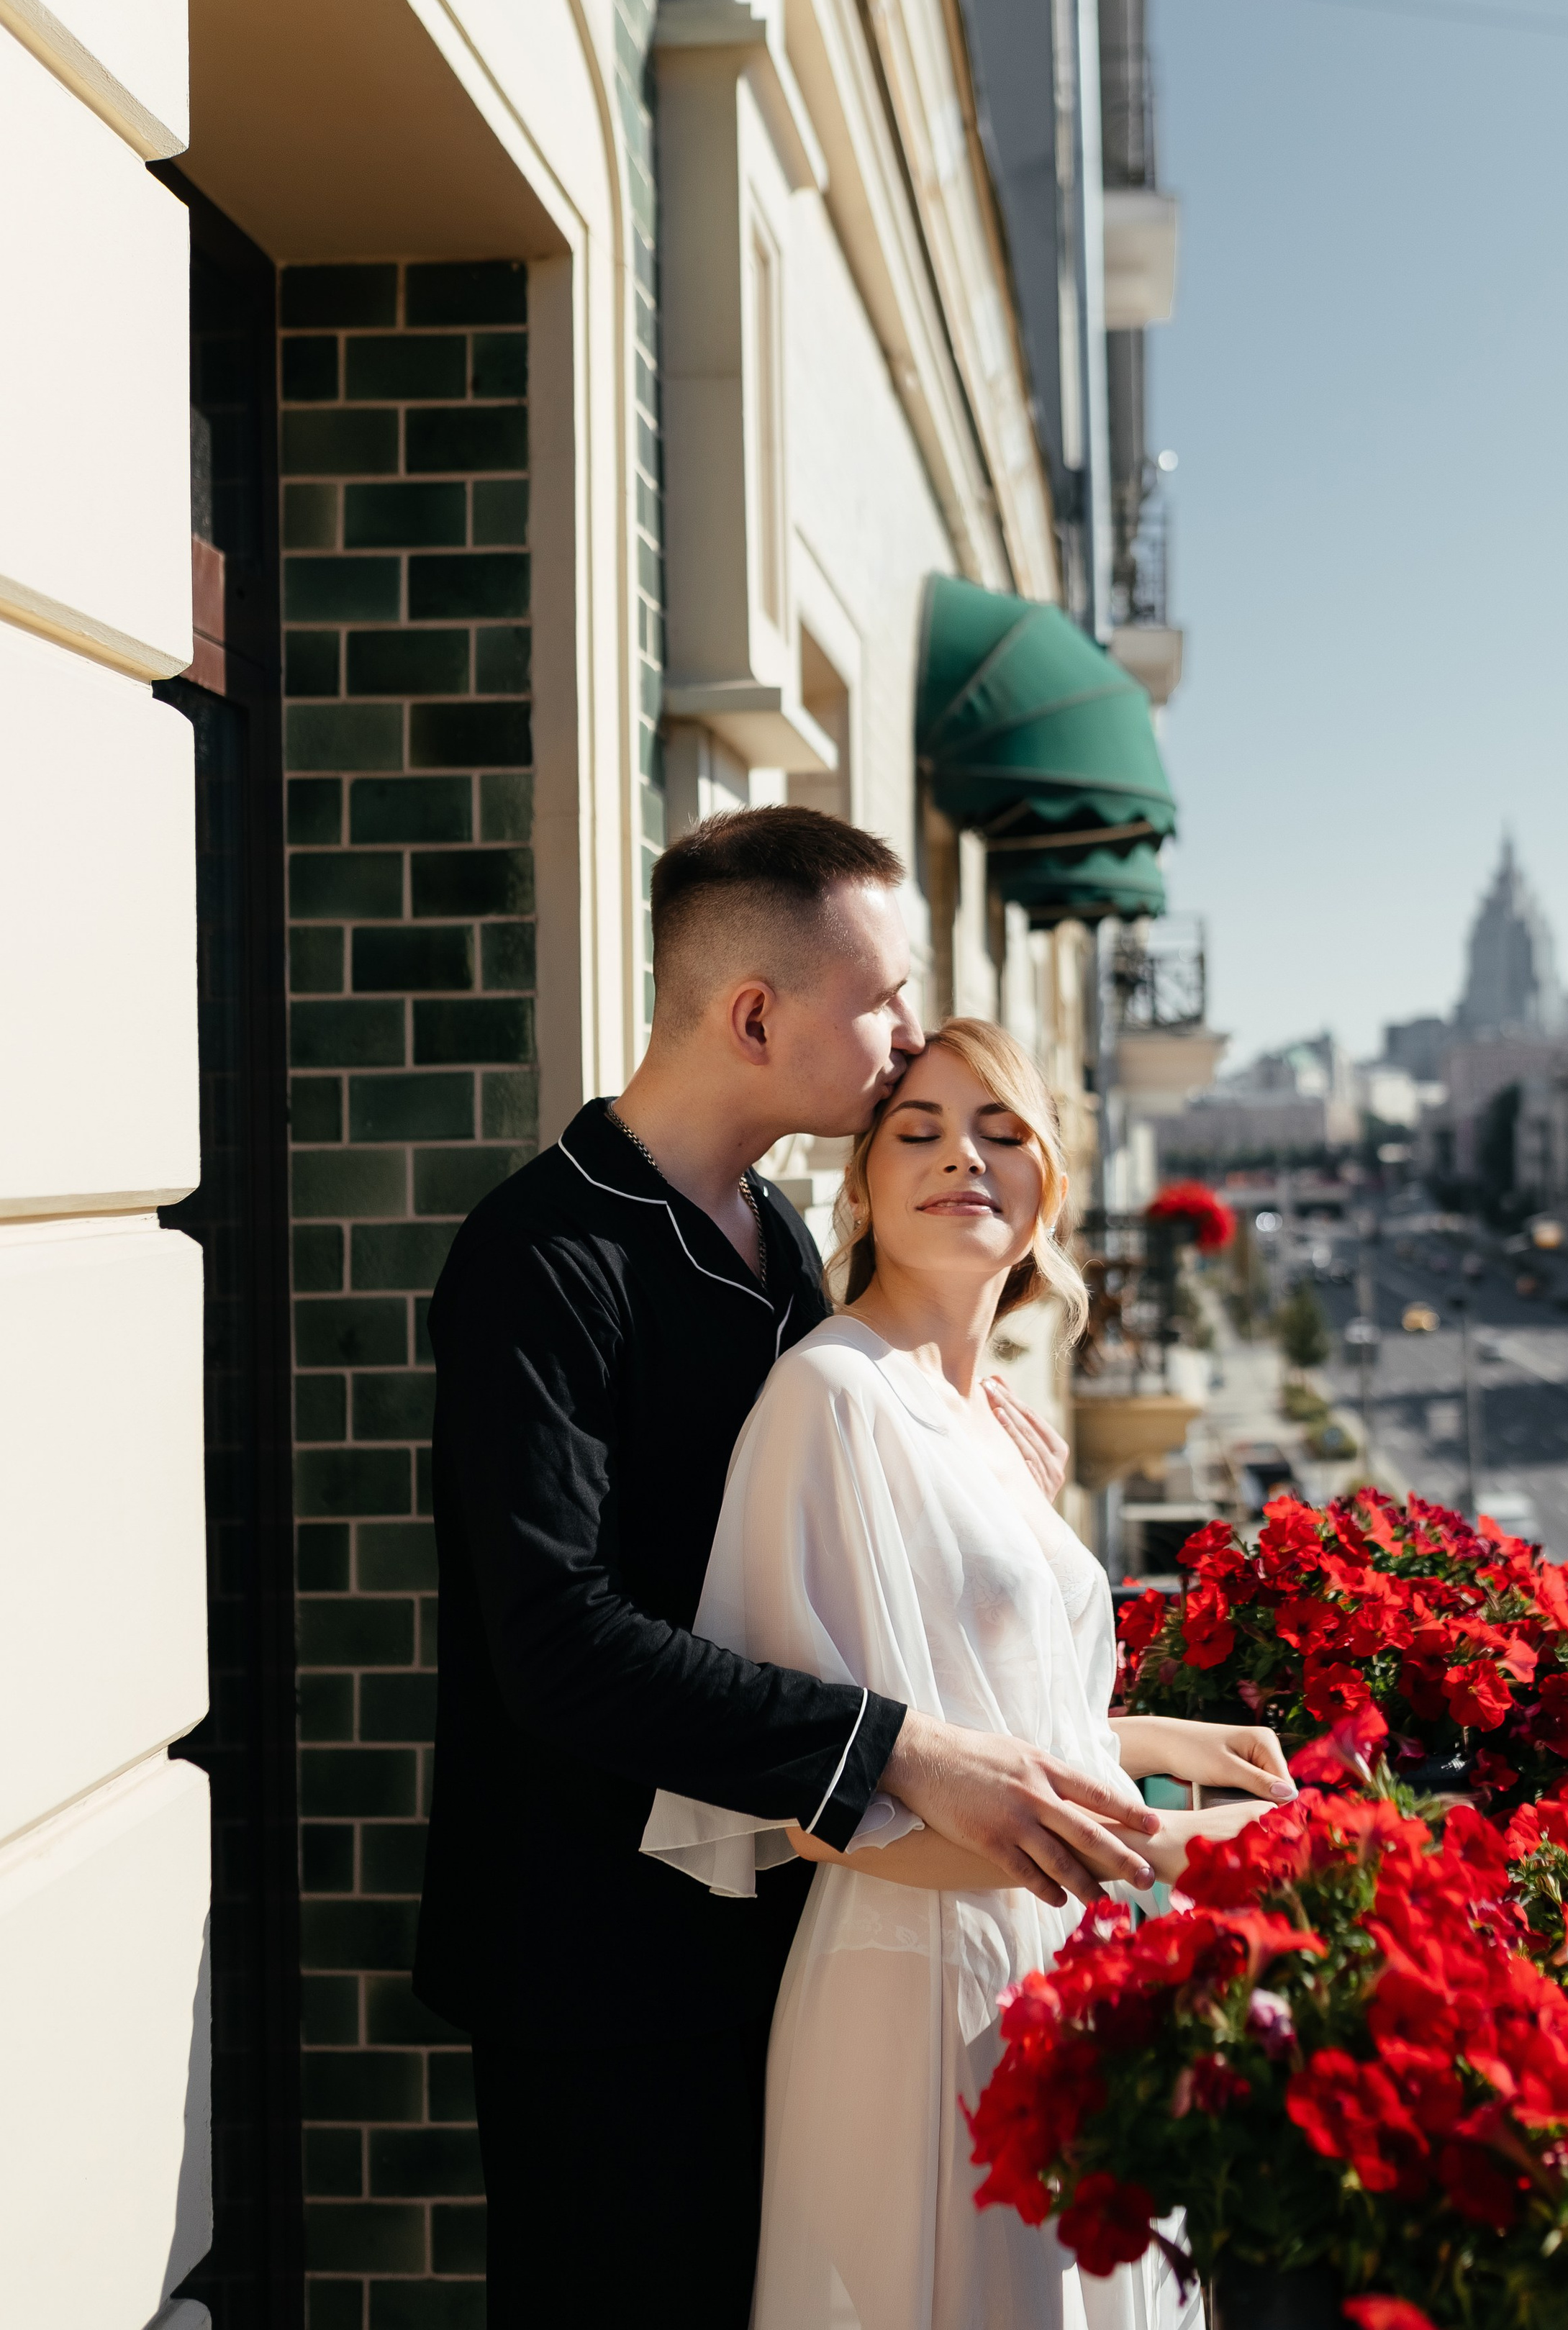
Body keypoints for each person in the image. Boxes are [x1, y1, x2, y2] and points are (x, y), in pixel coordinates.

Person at [414, 809, 1169, 2327]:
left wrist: (954, 1415)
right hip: (600, 1980)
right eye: (879, 998)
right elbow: (555, 1641)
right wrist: (895, 1750)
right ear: (754, 1016)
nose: (902, 1042)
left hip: (797, 1932)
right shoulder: (538, 1260)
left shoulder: (769, 1233)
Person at [643, 1017, 1297, 2329]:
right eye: (921, 1130)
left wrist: (1152, 1739)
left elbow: (975, 1704)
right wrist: (1169, 1852)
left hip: (1063, 1960)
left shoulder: (998, 1421)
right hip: (913, 1992)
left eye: (1002, 1133)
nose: (964, 1160)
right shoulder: (829, 1399)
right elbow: (825, 1812)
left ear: (1047, 1183)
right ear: (866, 1181)